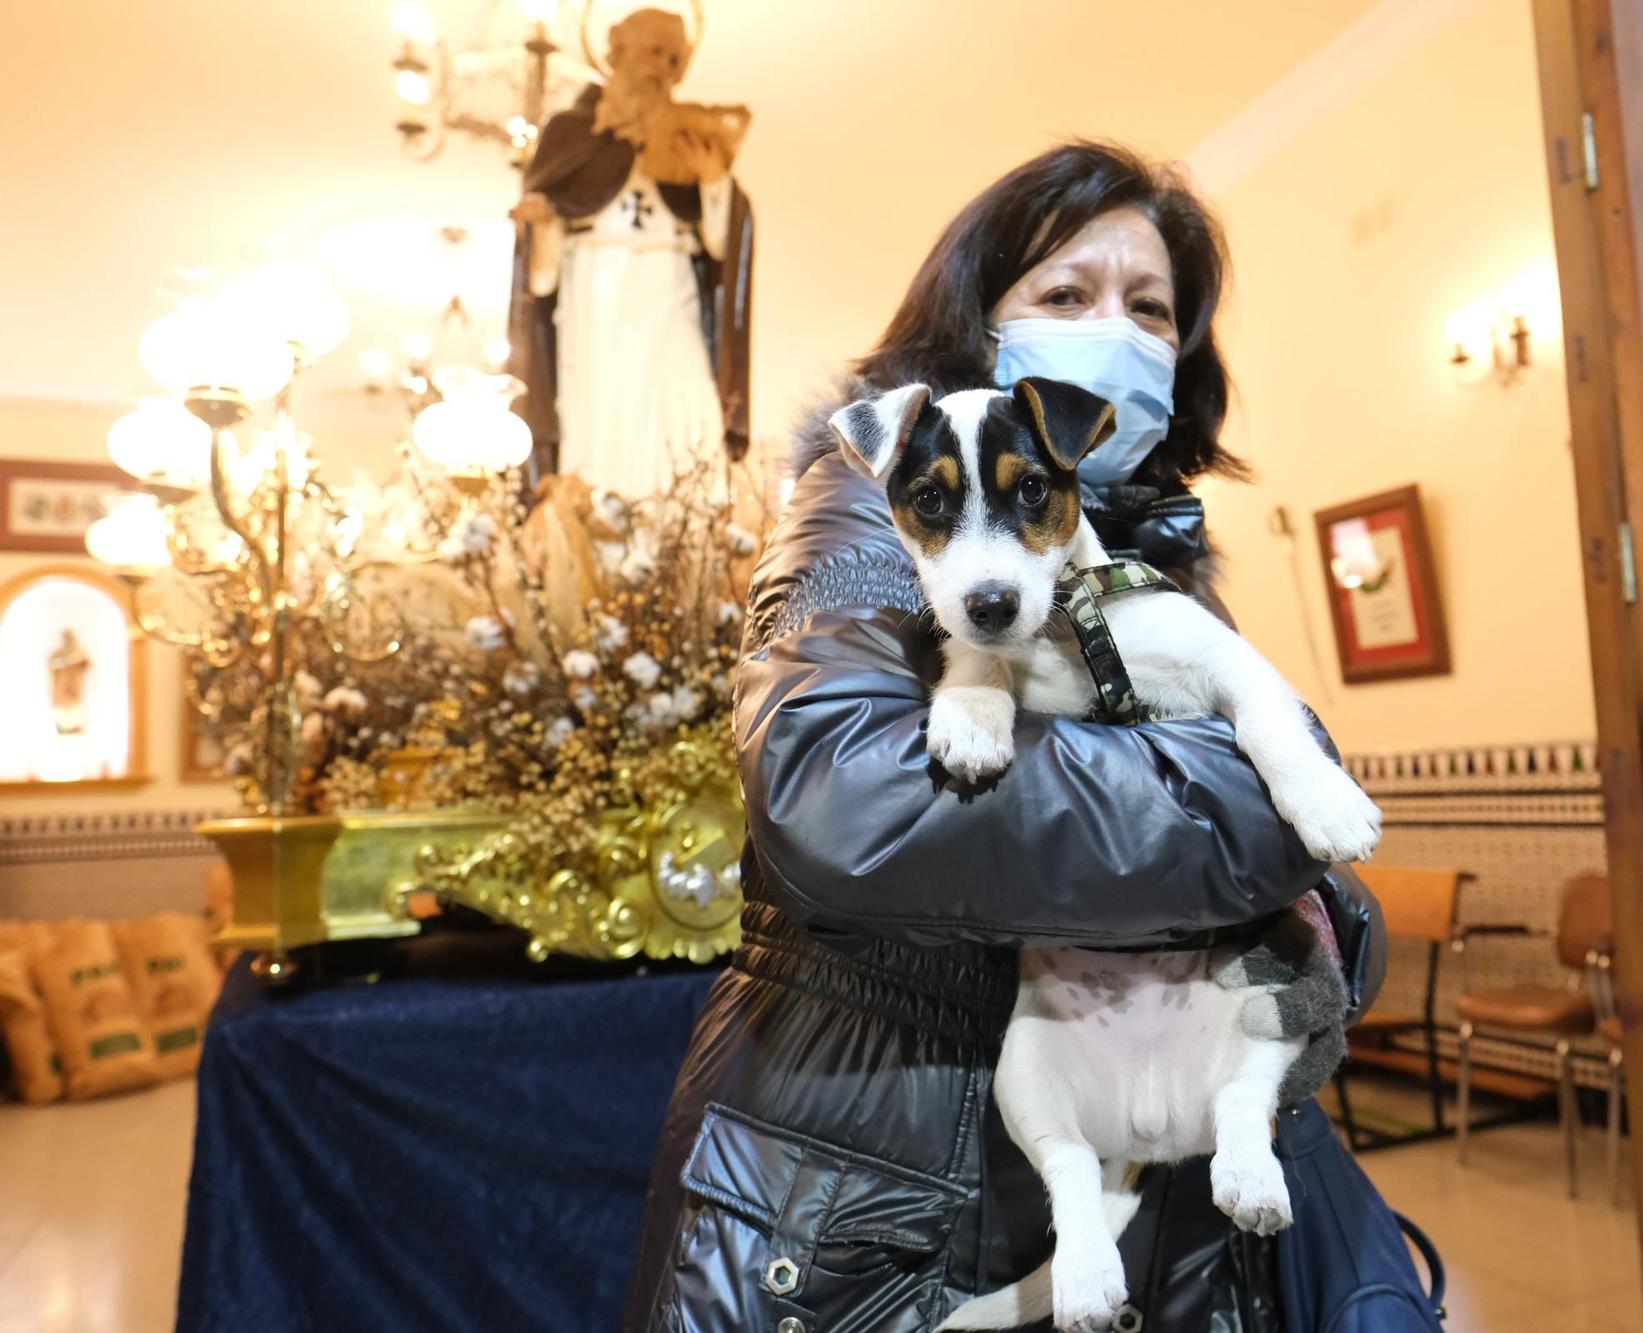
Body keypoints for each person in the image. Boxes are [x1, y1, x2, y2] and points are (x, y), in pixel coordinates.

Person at [623, 141, 1384, 1333]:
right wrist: (1258, 831)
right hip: (884, 1188)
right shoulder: (865, 499)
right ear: (978, 319)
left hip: (1142, 1190)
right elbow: (846, 799)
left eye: (1149, 309)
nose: (1113, 330)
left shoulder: (1145, 545)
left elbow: (1298, 800)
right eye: (1065, 295)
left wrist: (1323, 918)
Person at [506, 7, 753, 496]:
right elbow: (541, 281)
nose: (661, 67)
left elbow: (723, 251)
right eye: (652, 51)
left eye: (672, 58)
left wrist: (712, 181)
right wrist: (545, 223)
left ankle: (686, 529)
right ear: (617, 51)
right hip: (597, 290)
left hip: (672, 285)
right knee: (605, 413)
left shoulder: (687, 137)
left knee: (685, 406)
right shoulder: (568, 134)